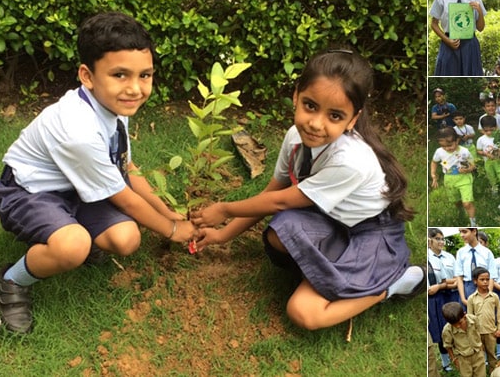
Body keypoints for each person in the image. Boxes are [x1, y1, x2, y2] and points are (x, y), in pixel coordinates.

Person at [0, 12, 196, 334]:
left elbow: (127, 168)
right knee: (73, 246)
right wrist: (172, 230)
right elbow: (126, 199)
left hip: (75, 186)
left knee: (127, 239)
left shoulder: (114, 105)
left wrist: (169, 214)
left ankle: (74, 234)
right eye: (120, 75)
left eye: (145, 75)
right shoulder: (78, 131)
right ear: (87, 75)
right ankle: (12, 280)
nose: (135, 88)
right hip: (29, 192)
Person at [191, 49, 425, 330]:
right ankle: (330, 273)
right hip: (335, 222)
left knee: (303, 312)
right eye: (310, 106)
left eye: (335, 115)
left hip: (371, 235)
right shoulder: (295, 138)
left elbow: (279, 202)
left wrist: (224, 209)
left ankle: (392, 284)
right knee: (279, 232)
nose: (316, 123)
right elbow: (271, 195)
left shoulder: (350, 161)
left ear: (353, 119)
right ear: (296, 95)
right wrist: (221, 235)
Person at [430, 0, 486, 76]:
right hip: (449, 43)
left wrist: (479, 11)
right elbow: (434, 24)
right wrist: (447, 41)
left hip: (470, 45)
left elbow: (480, 28)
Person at [428, 228, 460, 373]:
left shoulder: (449, 257)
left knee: (456, 326)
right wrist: (446, 283)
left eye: (442, 239)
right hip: (436, 299)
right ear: (430, 240)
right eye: (437, 239)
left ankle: (459, 358)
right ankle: (446, 362)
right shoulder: (427, 258)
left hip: (451, 296)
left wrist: (442, 284)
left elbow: (456, 279)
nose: (441, 242)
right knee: (441, 331)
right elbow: (430, 289)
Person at [431, 127, 478, 227]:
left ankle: (473, 223)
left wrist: (469, 169)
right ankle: (460, 211)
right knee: (456, 201)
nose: (447, 148)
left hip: (464, 178)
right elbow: (434, 162)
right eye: (444, 146)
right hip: (449, 180)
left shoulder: (464, 151)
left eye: (449, 145)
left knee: (467, 203)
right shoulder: (439, 152)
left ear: (457, 140)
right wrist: (433, 174)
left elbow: (473, 164)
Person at [467, 267, 500, 371]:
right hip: (478, 333)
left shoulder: (494, 296)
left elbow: (499, 313)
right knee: (479, 356)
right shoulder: (471, 298)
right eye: (482, 280)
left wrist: (499, 328)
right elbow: (470, 317)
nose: (485, 282)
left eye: (487, 279)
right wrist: (473, 333)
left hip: (491, 331)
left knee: (492, 354)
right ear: (475, 281)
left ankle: (493, 372)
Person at [441, 301, 487, 377]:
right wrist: (454, 359)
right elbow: (448, 346)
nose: (458, 326)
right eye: (454, 325)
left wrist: (481, 347)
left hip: (478, 354)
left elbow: (479, 332)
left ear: (464, 315)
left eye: (460, 323)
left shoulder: (474, 319)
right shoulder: (447, 330)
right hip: (463, 358)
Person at [455, 228, 497, 304]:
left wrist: (488, 297)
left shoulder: (487, 253)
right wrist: (463, 299)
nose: (462, 235)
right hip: (467, 288)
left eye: (464, 232)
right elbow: (459, 277)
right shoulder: (461, 253)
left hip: (484, 288)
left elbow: (492, 276)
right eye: (460, 232)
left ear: (474, 231)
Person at [477, 115, 500, 195]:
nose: (489, 132)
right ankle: (494, 187)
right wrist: (486, 154)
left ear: (496, 127)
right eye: (486, 130)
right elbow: (479, 151)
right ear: (483, 129)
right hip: (488, 162)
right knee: (491, 175)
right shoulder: (481, 140)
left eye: (492, 130)